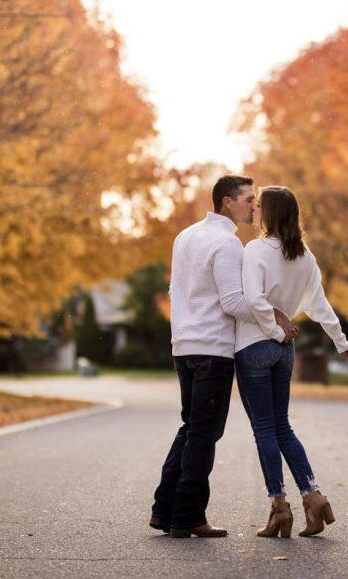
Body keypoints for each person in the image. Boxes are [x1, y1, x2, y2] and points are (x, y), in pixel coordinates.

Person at [150, 175, 298, 539]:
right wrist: (275, 317)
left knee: (190, 428)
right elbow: (233, 302)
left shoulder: (185, 236)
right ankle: (187, 517)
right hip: (213, 349)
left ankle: (164, 510)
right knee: (203, 433)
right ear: (228, 201)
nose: (254, 206)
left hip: (184, 346)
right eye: (248, 199)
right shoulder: (227, 243)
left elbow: (176, 290)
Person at [235, 185, 348, 538]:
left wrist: (273, 332)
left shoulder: (255, 250)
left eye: (261, 205)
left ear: (271, 213)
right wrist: (343, 343)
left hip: (255, 347)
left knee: (264, 430)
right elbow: (322, 306)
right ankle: (314, 497)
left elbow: (253, 300)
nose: (255, 209)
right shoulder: (304, 255)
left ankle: (279, 507)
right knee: (282, 427)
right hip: (283, 351)